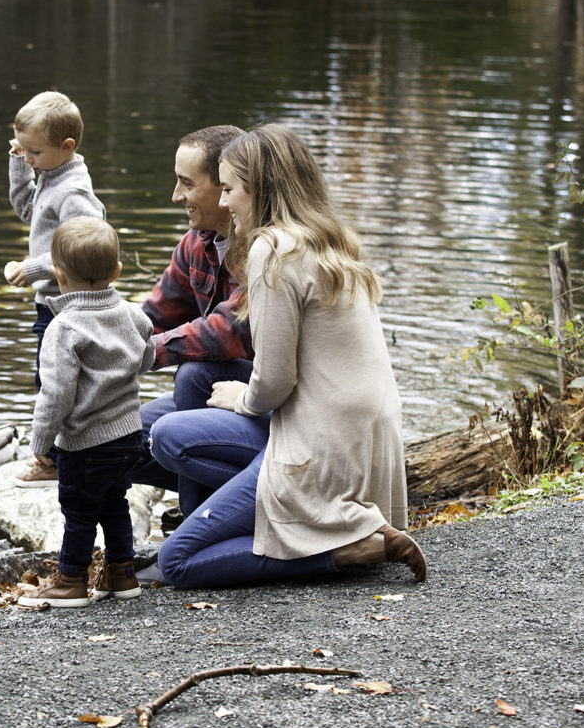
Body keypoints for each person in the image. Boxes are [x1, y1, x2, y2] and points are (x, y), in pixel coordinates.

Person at [155, 124, 426, 589]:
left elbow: (275, 381)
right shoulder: (328, 237)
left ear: (257, 189)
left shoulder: (271, 250)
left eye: (229, 190)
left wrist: (243, 398)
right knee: (185, 394)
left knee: (176, 560)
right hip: (368, 442)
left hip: (320, 446)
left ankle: (346, 549)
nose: (223, 203)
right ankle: (285, 524)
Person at [17, 217, 156, 608]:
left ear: (58, 276)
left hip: (85, 443)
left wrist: (41, 441)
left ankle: (71, 581)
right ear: (116, 271)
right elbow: (146, 357)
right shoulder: (133, 315)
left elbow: (55, 395)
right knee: (115, 504)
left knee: (78, 512)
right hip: (129, 436)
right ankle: (121, 573)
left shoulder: (63, 328)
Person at [130, 125, 262, 519]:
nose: (175, 196)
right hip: (210, 397)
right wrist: (99, 344)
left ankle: (197, 516)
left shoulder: (266, 248)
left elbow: (230, 331)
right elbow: (152, 316)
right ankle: (221, 501)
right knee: (111, 438)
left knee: (193, 375)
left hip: (264, 397)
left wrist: (146, 354)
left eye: (187, 183)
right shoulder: (195, 243)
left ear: (225, 186)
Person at [3, 91, 106, 487]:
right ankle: (59, 457)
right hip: (51, 302)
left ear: (67, 147)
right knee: (47, 379)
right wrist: (19, 163)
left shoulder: (74, 191)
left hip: (68, 306)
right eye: (23, 150)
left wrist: (34, 268)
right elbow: (28, 210)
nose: (29, 158)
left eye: (34, 152)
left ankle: (52, 462)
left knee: (55, 383)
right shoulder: (51, 175)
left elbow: (86, 249)